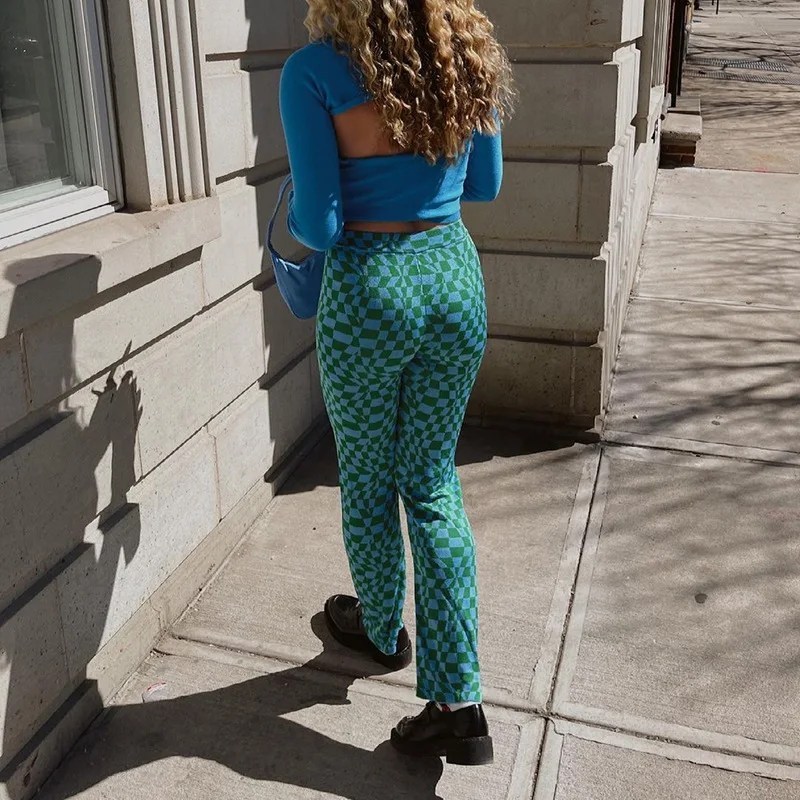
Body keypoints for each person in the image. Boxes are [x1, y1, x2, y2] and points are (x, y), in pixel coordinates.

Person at [279, 0, 514, 767]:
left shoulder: (314, 72)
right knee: (432, 481)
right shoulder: (466, 57)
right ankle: (458, 703)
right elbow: (485, 185)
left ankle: (382, 630)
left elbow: (319, 224)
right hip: (452, 278)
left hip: (370, 290)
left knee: (368, 475)